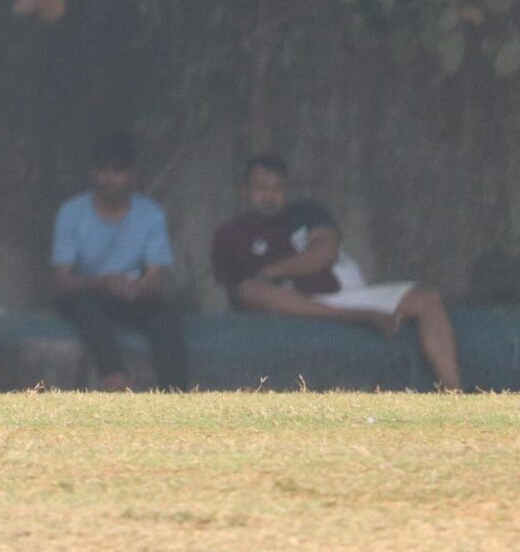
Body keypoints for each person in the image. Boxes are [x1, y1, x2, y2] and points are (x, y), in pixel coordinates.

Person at [210, 153, 462, 391]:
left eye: (276, 189)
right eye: (260, 189)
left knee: (426, 299)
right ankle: (360, 317)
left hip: (342, 293)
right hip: (291, 305)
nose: (269, 196)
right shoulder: (230, 233)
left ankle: (454, 394)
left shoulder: (305, 212)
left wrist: (271, 271)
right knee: (250, 290)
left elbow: (324, 253)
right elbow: (240, 295)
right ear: (245, 191)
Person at [50, 133, 188, 390]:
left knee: (166, 317)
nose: (109, 180)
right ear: (92, 173)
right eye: (103, 172)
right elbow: (62, 282)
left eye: (117, 172)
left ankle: (176, 393)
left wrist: (140, 288)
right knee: (82, 306)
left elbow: (156, 279)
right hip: (88, 295)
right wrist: (102, 283)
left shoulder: (151, 214)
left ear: (132, 175)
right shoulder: (71, 212)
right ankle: (115, 377)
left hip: (131, 295)